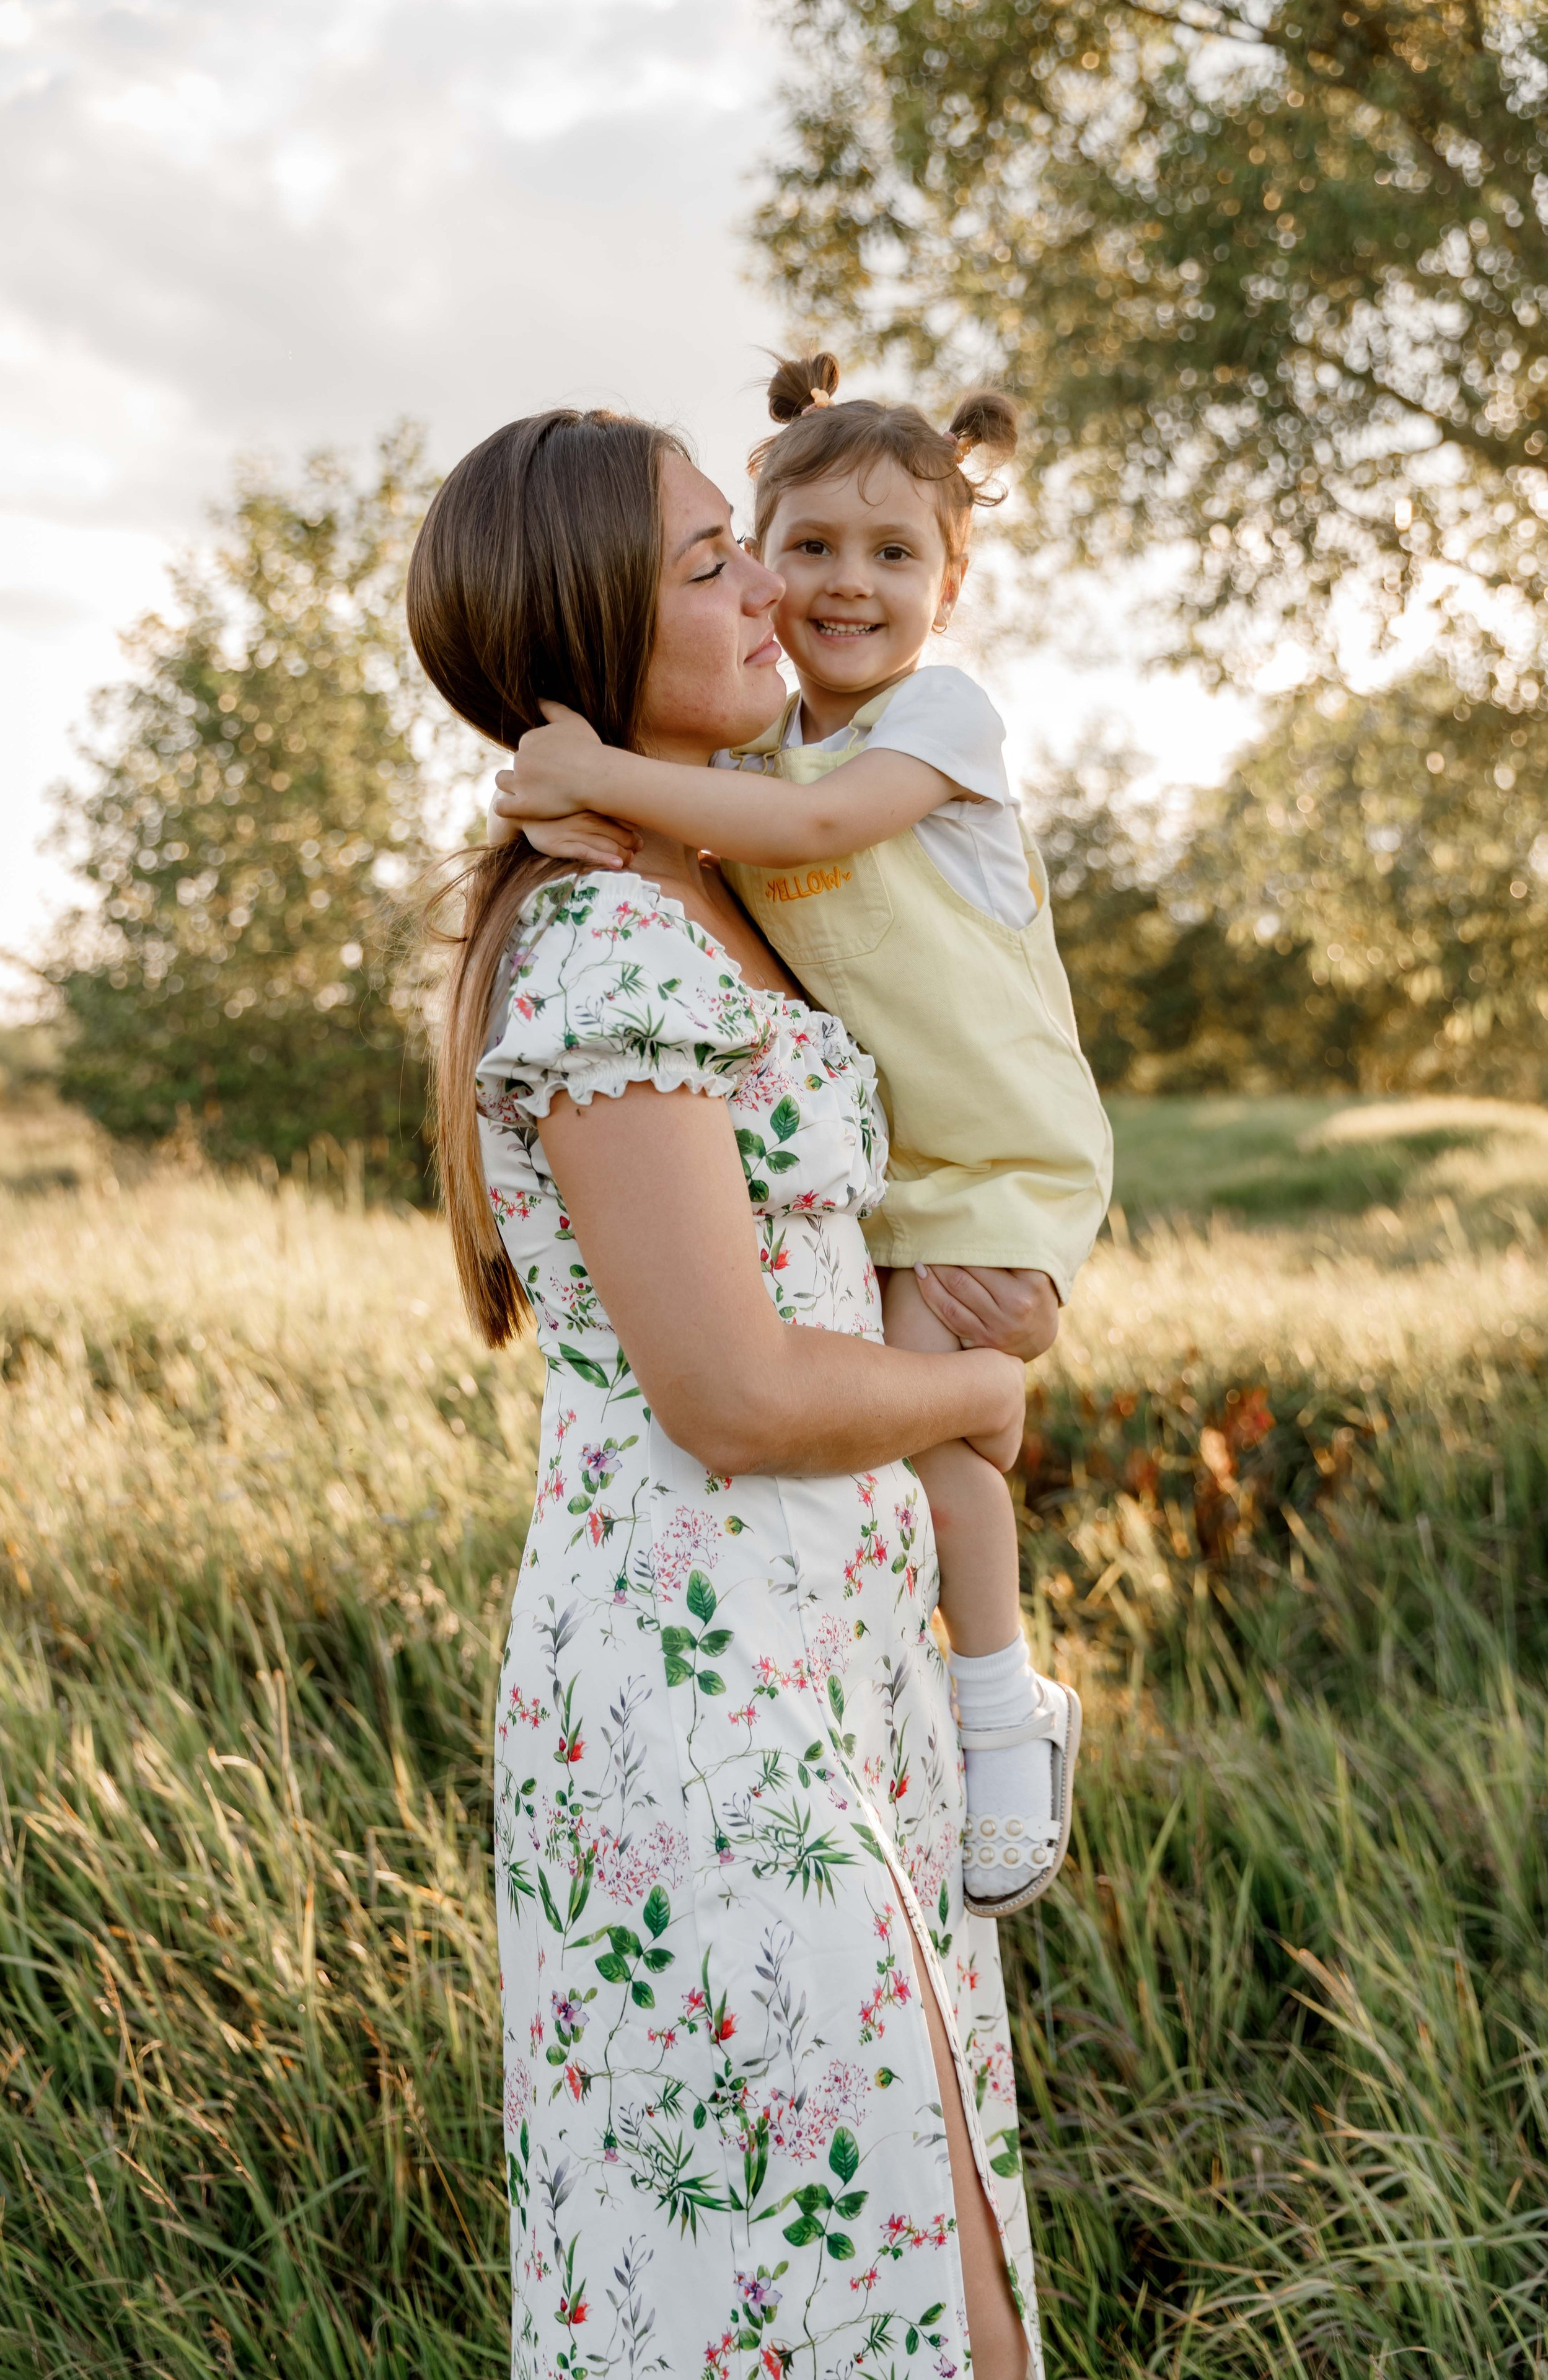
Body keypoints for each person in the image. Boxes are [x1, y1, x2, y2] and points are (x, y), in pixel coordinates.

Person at [410, 407, 1049, 2378]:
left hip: (830, 1671)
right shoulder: (607, 938)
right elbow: (737, 1392)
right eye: (713, 561)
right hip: (707, 1720)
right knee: (838, 2304)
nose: (773, 585)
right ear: (593, 623)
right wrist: (963, 1399)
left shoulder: (710, 878)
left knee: (929, 2288)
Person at [490, 353, 1113, 1920]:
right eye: (795, 549)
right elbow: (702, 840)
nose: (834, 587)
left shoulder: (933, 722)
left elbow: (819, 833)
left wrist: (599, 781)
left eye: (893, 555)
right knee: (945, 1445)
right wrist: (574, 809)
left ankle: (999, 1708)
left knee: (945, 1451)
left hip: (996, 1168)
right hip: (727, 1637)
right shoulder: (720, 813)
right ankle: (996, 1711)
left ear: (949, 590)